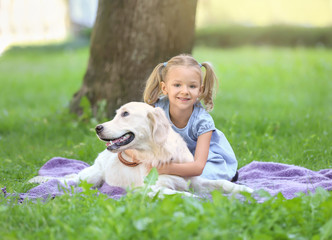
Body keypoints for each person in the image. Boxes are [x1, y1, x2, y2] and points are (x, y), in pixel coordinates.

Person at [142, 54, 238, 181]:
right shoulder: (156, 110)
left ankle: (228, 174)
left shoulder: (202, 121)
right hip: (178, 159)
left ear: (200, 90)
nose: (185, 91)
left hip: (206, 161)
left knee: (196, 180)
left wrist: (165, 169)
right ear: (164, 88)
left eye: (192, 86)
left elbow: (198, 167)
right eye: (177, 85)